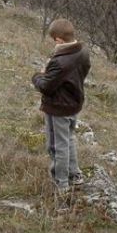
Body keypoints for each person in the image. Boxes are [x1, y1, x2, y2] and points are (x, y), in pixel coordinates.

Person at [31, 18, 91, 209]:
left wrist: (38, 75)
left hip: (59, 107)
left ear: (58, 40)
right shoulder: (82, 51)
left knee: (58, 145)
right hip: (73, 104)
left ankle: (62, 184)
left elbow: (46, 87)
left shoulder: (61, 62)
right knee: (70, 139)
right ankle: (75, 175)